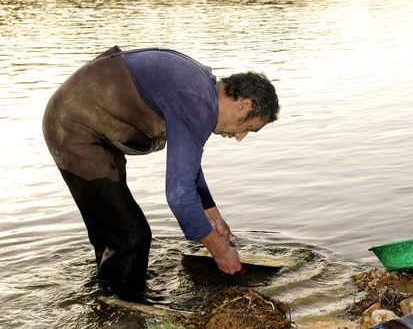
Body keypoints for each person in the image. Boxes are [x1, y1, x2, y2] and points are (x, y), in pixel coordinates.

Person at [42, 45, 279, 296]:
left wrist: (213, 215)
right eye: (248, 128)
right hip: (75, 129)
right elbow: (179, 193)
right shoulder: (197, 101)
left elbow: (188, 167)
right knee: (132, 235)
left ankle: (107, 299)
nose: (240, 137)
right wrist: (220, 252)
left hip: (87, 126)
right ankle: (126, 305)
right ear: (244, 104)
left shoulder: (200, 90)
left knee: (113, 231)